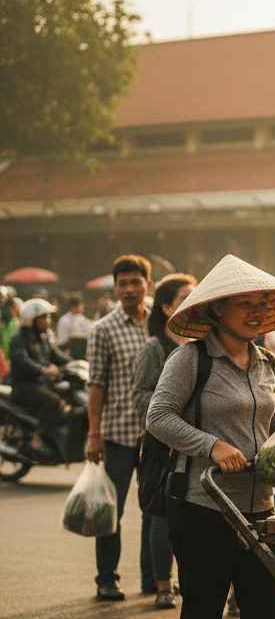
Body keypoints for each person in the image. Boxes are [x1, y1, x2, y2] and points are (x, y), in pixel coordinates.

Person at [146, 254, 275, 619]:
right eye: (245, 304)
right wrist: (210, 445)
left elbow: (269, 423)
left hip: (260, 508)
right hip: (203, 506)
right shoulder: (190, 359)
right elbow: (158, 418)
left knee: (265, 615)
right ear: (217, 310)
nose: (256, 312)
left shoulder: (268, 362)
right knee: (204, 615)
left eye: (261, 303)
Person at [85, 254, 151, 601]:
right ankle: (107, 578)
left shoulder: (161, 321)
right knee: (113, 509)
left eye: (134, 282)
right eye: (122, 283)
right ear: (115, 288)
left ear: (147, 285)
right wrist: (93, 434)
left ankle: (155, 580)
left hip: (157, 434)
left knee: (157, 511)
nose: (128, 289)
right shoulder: (103, 329)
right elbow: (96, 385)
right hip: (118, 434)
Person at [132, 273, 196, 608]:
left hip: (195, 442)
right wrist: (169, 411)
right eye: (185, 296)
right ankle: (162, 584)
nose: (192, 300)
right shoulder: (154, 349)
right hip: (161, 442)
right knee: (161, 513)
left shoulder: (200, 345)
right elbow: (141, 395)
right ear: (167, 306)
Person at [9, 298, 71, 456]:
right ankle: (37, 437)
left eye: (48, 317)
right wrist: (44, 370)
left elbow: (58, 356)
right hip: (24, 386)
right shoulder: (19, 338)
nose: (48, 321)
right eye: (44, 318)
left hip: (41, 385)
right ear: (32, 320)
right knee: (55, 402)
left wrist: (78, 363)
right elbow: (22, 361)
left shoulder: (43, 338)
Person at [56, 294, 93, 359]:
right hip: (69, 353)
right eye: (80, 305)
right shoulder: (64, 320)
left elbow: (90, 334)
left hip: (85, 352)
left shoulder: (84, 319)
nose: (82, 307)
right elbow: (62, 341)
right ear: (73, 306)